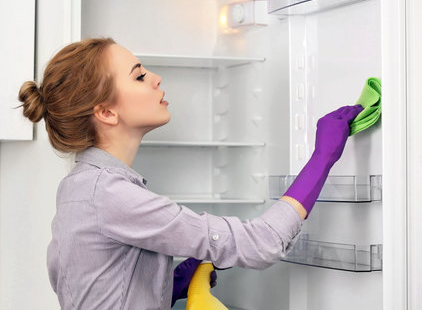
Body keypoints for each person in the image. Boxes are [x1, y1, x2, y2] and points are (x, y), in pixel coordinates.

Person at [18, 38, 362, 309]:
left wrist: (165, 287)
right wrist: (322, 157)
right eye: (139, 76)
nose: (155, 78)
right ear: (106, 112)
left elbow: (99, 294)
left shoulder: (79, 187)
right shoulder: (110, 195)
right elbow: (261, 245)